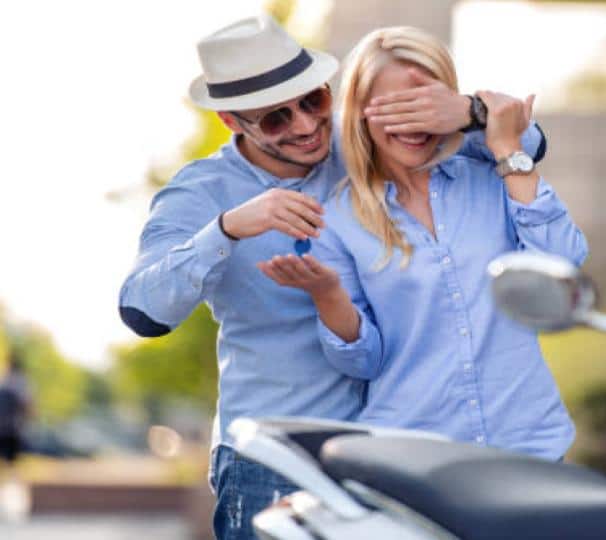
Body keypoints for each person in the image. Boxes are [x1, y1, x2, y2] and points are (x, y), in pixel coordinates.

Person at [117, 14, 548, 540]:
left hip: (391, 447)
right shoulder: (201, 193)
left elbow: (525, 142)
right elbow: (142, 310)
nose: (303, 125)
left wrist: (470, 109)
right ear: (233, 122)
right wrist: (228, 228)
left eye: (313, 101)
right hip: (277, 454)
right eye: (275, 118)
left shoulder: (363, 148)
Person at [258, 26, 587, 461]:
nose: (413, 125)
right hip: (415, 458)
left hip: (529, 446)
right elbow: (363, 363)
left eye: (425, 107)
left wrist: (506, 144)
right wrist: (328, 295)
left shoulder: (495, 179)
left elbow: (562, 271)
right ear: (358, 113)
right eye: (394, 109)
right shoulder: (336, 217)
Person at [0, 354, 31, 467]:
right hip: (12, 426)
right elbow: (26, 402)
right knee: (10, 460)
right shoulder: (21, 381)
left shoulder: (4, 379)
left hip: (7, 425)